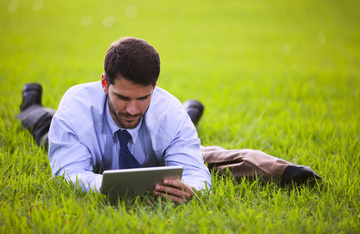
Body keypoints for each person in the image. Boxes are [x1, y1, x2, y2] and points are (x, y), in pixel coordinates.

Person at [17, 37, 322, 203]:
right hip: (87, 147)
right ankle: (30, 102)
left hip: (160, 143)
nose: (133, 110)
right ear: (104, 84)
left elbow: (195, 173)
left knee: (178, 131)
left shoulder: (168, 113)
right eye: (123, 97)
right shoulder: (75, 110)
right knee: (43, 127)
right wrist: (114, 186)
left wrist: (193, 190)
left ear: (156, 88)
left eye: (144, 98)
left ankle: (191, 113)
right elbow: (69, 175)